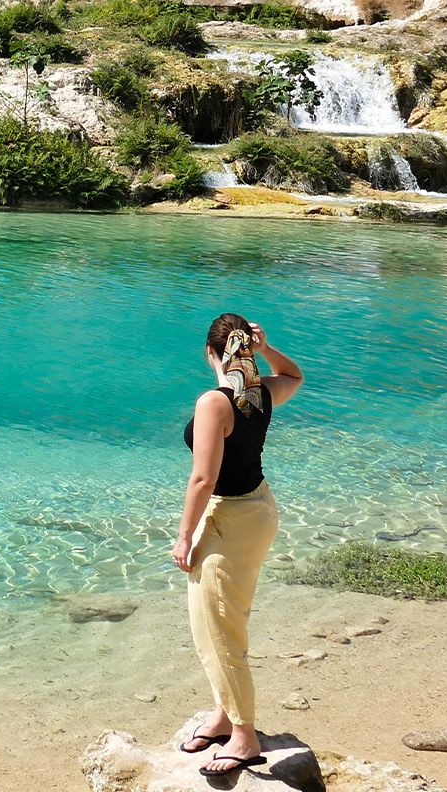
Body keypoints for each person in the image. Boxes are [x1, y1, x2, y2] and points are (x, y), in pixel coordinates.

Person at [169, 313, 304, 777]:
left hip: (231, 517)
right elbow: (294, 375)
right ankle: (224, 715)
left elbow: (203, 477)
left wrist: (184, 534)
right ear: (245, 349)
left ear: (211, 352)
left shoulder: (215, 401)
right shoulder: (260, 392)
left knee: (219, 627)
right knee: (226, 618)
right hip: (258, 508)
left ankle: (244, 737)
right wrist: (267, 350)